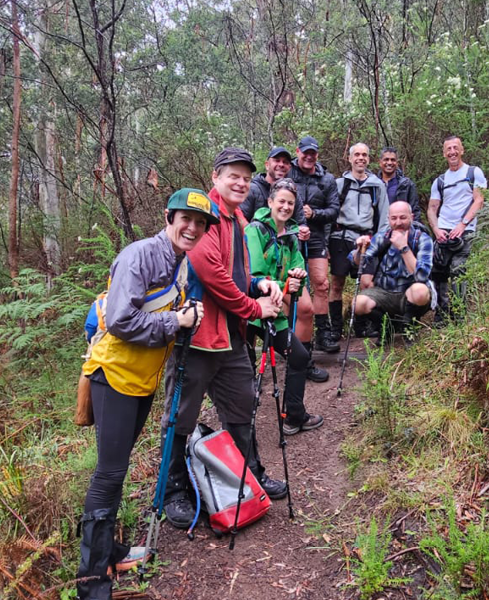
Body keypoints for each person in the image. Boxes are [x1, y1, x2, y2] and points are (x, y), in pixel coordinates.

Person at [77, 188, 219, 600]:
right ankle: (91, 581)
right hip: (113, 375)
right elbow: (121, 320)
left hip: (140, 379)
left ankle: (112, 551)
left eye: (200, 223)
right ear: (168, 217)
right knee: (108, 473)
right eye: (185, 219)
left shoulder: (179, 262)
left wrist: (186, 316)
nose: (192, 228)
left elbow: (165, 313)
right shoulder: (139, 256)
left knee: (115, 469)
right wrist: (176, 321)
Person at [161, 147, 287, 530]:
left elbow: (234, 274)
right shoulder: (205, 216)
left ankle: (249, 474)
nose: (241, 182)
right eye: (233, 175)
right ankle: (175, 491)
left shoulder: (238, 219)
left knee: (242, 406)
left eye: (246, 178)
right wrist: (253, 308)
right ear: (215, 177)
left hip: (230, 337)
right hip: (196, 337)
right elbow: (209, 271)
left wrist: (259, 283)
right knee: (181, 416)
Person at [245, 177, 324, 435]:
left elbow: (297, 282)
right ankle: (240, 427)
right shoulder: (254, 230)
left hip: (274, 312)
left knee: (299, 356)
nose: (286, 207)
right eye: (281, 201)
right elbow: (254, 275)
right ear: (270, 202)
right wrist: (284, 282)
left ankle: (293, 415)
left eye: (290, 203)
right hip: (247, 308)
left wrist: (295, 281)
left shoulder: (291, 236)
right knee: (244, 364)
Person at [242, 145, 327, 383]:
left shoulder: (292, 197)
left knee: (304, 308)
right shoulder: (253, 191)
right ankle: (248, 381)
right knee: (248, 335)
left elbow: (297, 219)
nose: (285, 206)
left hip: (283, 262)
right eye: (281, 202)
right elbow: (240, 222)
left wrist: (303, 231)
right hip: (256, 281)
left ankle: (299, 361)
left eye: (284, 161)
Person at [330, 143, 388, 341]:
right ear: (350, 158)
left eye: (364, 155)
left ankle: (361, 326)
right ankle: (336, 328)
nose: (360, 158)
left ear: (369, 159)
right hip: (341, 238)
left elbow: (384, 216)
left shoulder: (377, 185)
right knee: (336, 284)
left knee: (366, 283)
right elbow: (331, 212)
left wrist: (379, 243)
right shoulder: (339, 184)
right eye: (357, 155)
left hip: (367, 239)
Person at [352, 201, 434, 343]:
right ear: (389, 219)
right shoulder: (382, 237)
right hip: (385, 292)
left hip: (411, 292)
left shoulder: (422, 239)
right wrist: (360, 249)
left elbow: (422, 275)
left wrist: (404, 248)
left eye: (403, 218)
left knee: (420, 290)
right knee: (357, 303)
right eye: (394, 218)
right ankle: (386, 327)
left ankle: (409, 328)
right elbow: (359, 262)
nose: (398, 222)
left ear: (411, 217)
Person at [427, 136, 486, 325]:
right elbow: (432, 208)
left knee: (458, 269)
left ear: (462, 150)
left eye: (455, 148)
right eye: (448, 149)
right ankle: (442, 314)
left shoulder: (473, 172)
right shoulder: (440, 181)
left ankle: (459, 313)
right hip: (443, 230)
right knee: (438, 271)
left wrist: (463, 224)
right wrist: (436, 229)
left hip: (465, 230)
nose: (452, 152)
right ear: (444, 153)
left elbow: (479, 200)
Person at [288, 135, 340, 354]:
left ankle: (323, 333)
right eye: (305, 152)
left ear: (317, 155)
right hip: (290, 234)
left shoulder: (327, 179)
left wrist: (314, 213)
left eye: (313, 153)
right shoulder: (288, 173)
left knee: (321, 283)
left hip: (316, 235)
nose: (309, 157)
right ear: (298, 152)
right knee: (294, 284)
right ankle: (291, 334)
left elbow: (334, 210)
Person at [377, 146, 421, 221]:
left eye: (393, 160)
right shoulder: (373, 184)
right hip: (378, 229)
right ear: (380, 162)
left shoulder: (407, 185)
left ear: (397, 163)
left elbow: (415, 212)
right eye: (386, 159)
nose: (389, 163)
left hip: (400, 227)